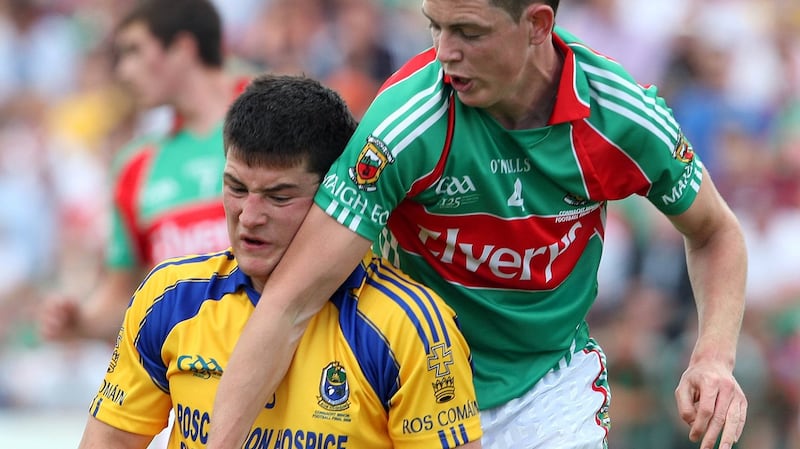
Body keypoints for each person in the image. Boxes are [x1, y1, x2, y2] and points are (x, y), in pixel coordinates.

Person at [208, 1, 749, 449]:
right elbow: (290, 303)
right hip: (409, 391)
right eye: (436, 27)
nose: (445, 53)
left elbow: (716, 231)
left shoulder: (618, 116)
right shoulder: (407, 123)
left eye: (468, 32)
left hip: (547, 392)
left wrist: (714, 358)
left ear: (537, 25)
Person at [77, 74, 483, 449]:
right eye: (236, 187)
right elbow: (109, 441)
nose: (249, 216)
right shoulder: (171, 298)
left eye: (279, 196)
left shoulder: (409, 326)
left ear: (332, 193)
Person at [38, 0, 249, 342]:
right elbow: (125, 293)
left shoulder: (278, 117)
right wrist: (82, 323)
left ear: (182, 48)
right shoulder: (135, 165)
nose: (123, 71)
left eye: (134, 51)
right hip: (188, 379)